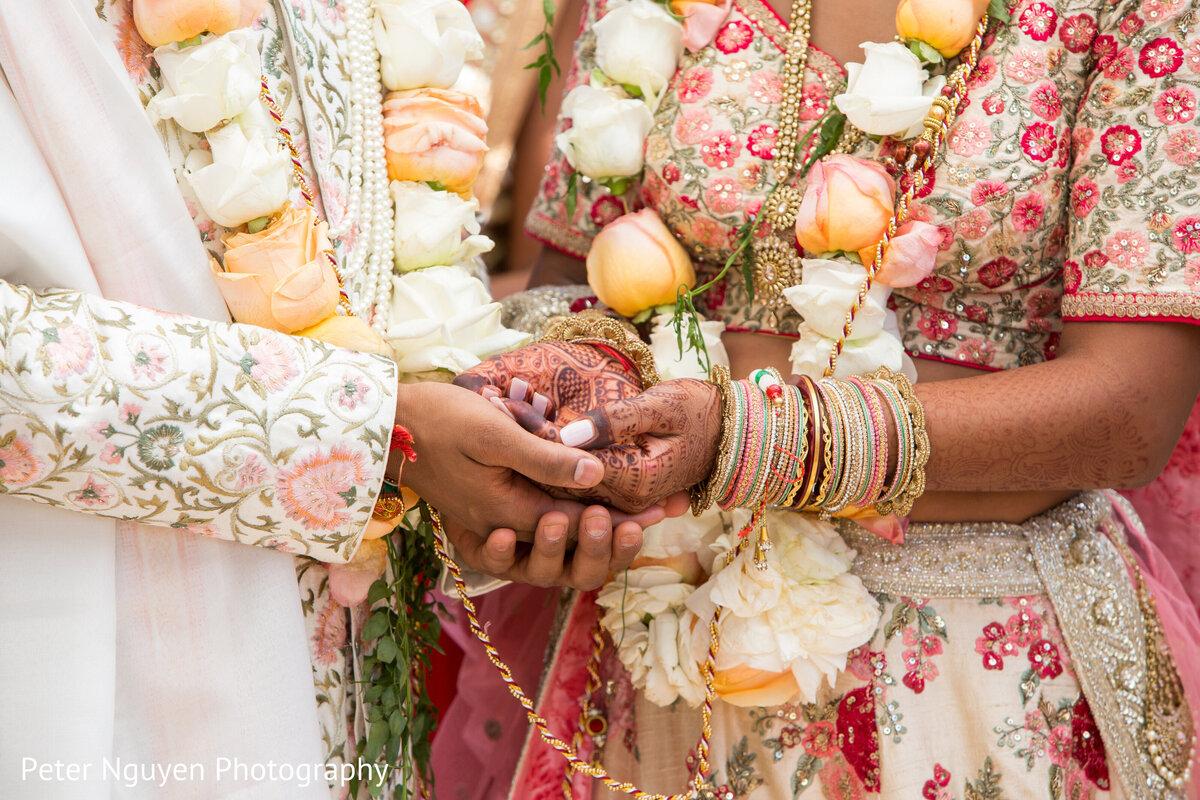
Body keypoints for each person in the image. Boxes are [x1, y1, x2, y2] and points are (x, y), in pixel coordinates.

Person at [440, 0, 1200, 795]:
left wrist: (740, 442)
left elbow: (1131, 411)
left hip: (981, 661)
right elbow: (573, 283)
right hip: (663, 636)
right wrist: (554, 410)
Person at [0, 3, 666, 798]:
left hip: (366, 660)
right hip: (104, 656)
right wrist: (374, 435)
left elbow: (380, 270)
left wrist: (517, 415)